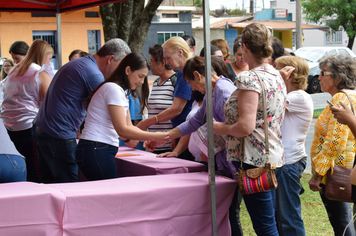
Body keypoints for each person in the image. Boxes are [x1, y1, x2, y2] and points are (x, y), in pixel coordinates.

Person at [213, 23, 287, 236]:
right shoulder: (275, 75)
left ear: (244, 47)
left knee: (264, 225)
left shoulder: (250, 78)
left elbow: (246, 126)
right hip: (273, 156)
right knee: (269, 220)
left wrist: (221, 128)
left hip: (254, 161)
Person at [33, 38, 131, 183]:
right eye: (120, 65)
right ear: (111, 59)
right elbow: (113, 107)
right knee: (69, 185)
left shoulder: (81, 63)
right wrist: (129, 136)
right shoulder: (94, 74)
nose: (121, 72)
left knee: (50, 184)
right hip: (58, 134)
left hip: (43, 130)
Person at [76, 52, 168, 181]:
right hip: (96, 148)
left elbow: (128, 127)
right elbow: (122, 130)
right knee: (111, 196)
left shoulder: (120, 91)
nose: (141, 82)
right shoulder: (113, 89)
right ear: (128, 70)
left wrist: (149, 138)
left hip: (98, 148)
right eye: (140, 76)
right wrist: (154, 136)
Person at [308, 53, 356, 236]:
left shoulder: (340, 99)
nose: (318, 77)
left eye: (323, 73)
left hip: (337, 173)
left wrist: (318, 174)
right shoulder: (352, 95)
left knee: (342, 226)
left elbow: (335, 141)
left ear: (339, 77)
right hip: (348, 170)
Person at [1, 39, 54, 182]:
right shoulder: (39, 71)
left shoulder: (14, 70)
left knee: (23, 165)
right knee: (35, 169)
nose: (49, 63)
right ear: (43, 56)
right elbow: (48, 103)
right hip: (28, 124)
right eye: (49, 59)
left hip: (9, 126)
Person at [274, 56, 313, 236]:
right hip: (284, 162)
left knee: (289, 218)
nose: (274, 72)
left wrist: (276, 80)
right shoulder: (292, 96)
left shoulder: (298, 97)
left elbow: (270, 104)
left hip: (290, 162)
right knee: (281, 216)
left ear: (290, 73)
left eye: (278, 69)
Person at [136, 44, 177, 153]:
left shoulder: (175, 82)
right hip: (154, 145)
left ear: (163, 63)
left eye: (152, 61)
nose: (150, 65)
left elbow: (177, 112)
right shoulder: (156, 83)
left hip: (170, 147)